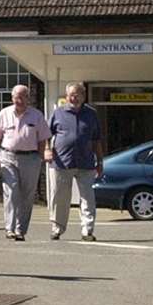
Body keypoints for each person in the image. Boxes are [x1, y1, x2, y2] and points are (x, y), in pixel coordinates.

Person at [0, 84, 49, 241]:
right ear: (12, 98)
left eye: (23, 97)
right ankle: (10, 228)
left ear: (28, 98)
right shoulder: (4, 113)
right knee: (11, 192)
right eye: (17, 97)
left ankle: (20, 229)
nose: (19, 100)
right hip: (8, 156)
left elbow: (43, 139)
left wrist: (41, 158)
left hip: (31, 158)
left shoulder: (36, 115)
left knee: (27, 195)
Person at [46, 83, 103, 241]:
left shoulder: (91, 114)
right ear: (66, 96)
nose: (75, 97)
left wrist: (100, 161)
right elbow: (46, 134)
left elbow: (97, 140)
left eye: (78, 94)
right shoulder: (58, 113)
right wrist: (47, 149)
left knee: (87, 197)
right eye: (72, 94)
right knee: (60, 198)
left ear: (84, 96)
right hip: (62, 162)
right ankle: (57, 228)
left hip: (86, 163)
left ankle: (87, 230)